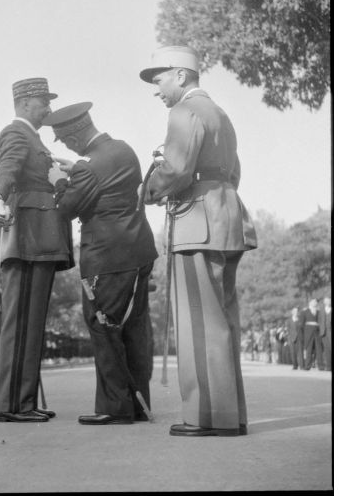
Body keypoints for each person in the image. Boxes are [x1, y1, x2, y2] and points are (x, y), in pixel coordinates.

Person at [140, 45, 257, 436]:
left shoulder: (184, 111)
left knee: (198, 324)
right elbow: (233, 172)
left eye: (159, 80)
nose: (157, 90)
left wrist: (148, 190)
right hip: (227, 217)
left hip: (197, 224)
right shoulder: (221, 114)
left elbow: (174, 170)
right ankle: (231, 415)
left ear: (180, 75)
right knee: (223, 321)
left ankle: (207, 417)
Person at [44, 102, 158, 424]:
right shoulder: (123, 150)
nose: (66, 145)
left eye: (65, 139)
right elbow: (103, 185)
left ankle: (114, 408)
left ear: (76, 132)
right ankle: (138, 404)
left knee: (103, 328)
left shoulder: (87, 167)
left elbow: (67, 208)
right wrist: (76, 170)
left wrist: (58, 180)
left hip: (105, 259)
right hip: (138, 253)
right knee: (134, 330)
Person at [0, 77, 74, 422]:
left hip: (38, 238)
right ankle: (11, 405)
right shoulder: (16, 133)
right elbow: (7, 169)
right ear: (24, 104)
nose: (48, 109)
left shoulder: (32, 137)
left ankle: (24, 400)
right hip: (27, 237)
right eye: (43, 102)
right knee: (19, 322)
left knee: (31, 322)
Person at [303, 298, 323, 370]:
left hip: (317, 332)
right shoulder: (305, 312)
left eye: (316, 302)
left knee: (319, 349)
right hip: (308, 333)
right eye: (313, 302)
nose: (315, 303)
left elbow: (320, 321)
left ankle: (321, 366)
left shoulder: (319, 312)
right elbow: (302, 324)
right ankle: (307, 366)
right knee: (309, 350)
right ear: (310, 303)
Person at [319, 296, 332, 371]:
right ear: (324, 302)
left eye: (329, 301)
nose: (328, 302)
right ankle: (328, 366)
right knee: (326, 349)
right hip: (323, 332)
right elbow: (319, 320)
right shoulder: (321, 310)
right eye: (326, 301)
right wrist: (321, 329)